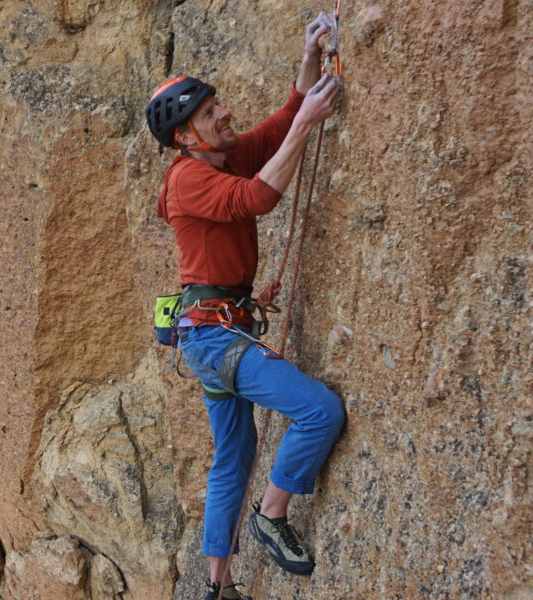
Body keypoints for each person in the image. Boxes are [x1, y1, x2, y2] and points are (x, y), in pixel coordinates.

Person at [144, 12, 346, 600]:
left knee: (233, 459)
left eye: (216, 106)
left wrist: (310, 58)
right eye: (209, 114)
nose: (224, 113)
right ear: (184, 136)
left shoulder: (221, 156)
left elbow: (281, 125)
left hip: (212, 333)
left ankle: (218, 587)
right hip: (215, 340)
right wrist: (310, 121)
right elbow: (259, 197)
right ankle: (271, 514)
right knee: (318, 411)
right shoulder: (187, 178)